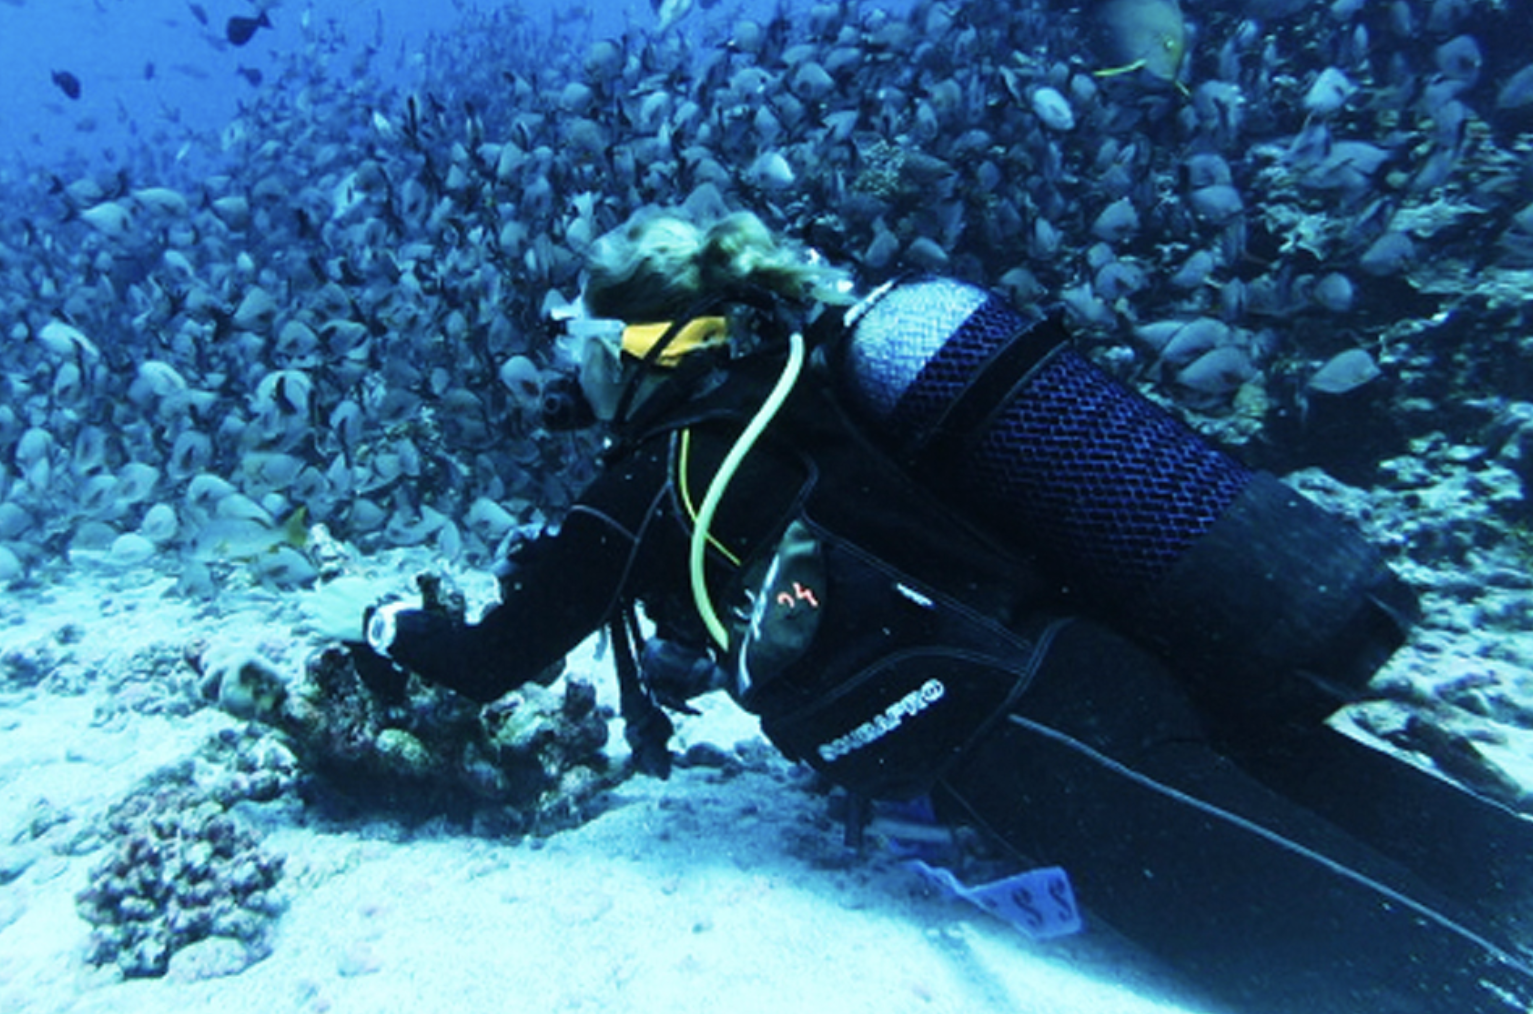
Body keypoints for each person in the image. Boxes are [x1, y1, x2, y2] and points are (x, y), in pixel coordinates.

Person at [314, 207, 1533, 1013]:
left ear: (641, 346)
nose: (574, 373)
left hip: (1031, 731)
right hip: (1099, 654)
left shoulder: (657, 474)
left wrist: (385, 630)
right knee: (1438, 840)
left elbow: (493, 658)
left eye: (585, 343)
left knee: (1377, 962)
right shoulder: (799, 385)